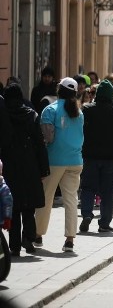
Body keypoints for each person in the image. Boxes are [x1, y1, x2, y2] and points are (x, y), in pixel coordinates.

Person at [35, 77, 84, 253]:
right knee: (71, 199)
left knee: (46, 197)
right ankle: (70, 239)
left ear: (58, 90)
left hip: (54, 160)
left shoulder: (50, 110)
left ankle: (38, 235)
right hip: (75, 160)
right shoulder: (79, 112)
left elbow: (47, 137)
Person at [0, 83, 49, 256]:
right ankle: (28, 239)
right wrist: (44, 169)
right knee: (28, 205)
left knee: (14, 204)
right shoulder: (31, 115)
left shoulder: (3, 115)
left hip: (9, 164)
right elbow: (39, 143)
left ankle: (14, 246)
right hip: (30, 164)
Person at [79, 80, 113, 233]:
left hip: (90, 155)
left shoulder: (86, 110)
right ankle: (105, 223)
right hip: (111, 157)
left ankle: (87, 213)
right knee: (108, 190)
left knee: (88, 186)